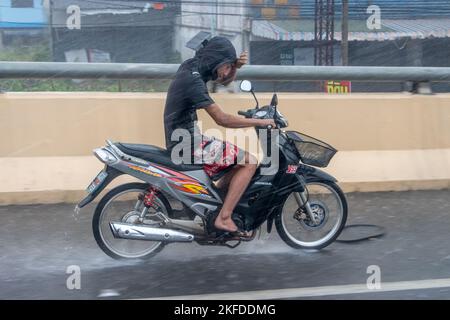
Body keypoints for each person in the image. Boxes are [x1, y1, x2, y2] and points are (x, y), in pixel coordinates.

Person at [164, 36, 275, 234]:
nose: (227, 72)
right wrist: (260, 122)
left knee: (236, 163)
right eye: (227, 66)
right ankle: (224, 218)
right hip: (187, 144)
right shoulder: (194, 80)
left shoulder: (192, 68)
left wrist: (235, 67)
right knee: (249, 161)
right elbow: (222, 119)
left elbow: (224, 79)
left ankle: (216, 207)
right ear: (217, 61)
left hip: (186, 138)